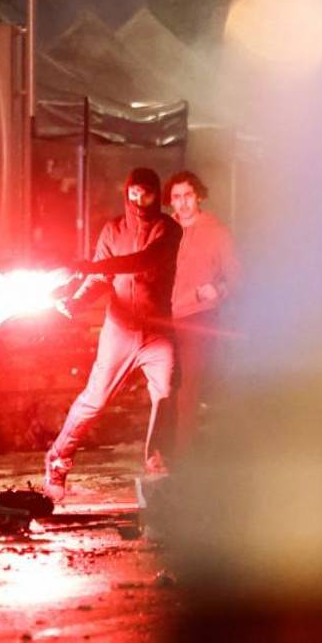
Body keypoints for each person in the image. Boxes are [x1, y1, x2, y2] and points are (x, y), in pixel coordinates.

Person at [45, 168, 183, 500]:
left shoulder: (169, 229)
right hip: (120, 331)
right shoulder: (113, 229)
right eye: (134, 192)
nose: (139, 199)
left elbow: (142, 261)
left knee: (166, 394)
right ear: (127, 192)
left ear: (157, 195)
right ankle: (57, 462)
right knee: (94, 400)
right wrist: (77, 302)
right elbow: (100, 279)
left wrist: (89, 266)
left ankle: (158, 469)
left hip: (158, 334)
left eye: (147, 193)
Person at [164, 171, 240, 450]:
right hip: (163, 317)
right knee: (163, 387)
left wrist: (218, 290)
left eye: (187, 195)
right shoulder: (163, 230)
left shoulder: (216, 231)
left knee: (188, 388)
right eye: (176, 197)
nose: (182, 202)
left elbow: (236, 277)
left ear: (198, 196)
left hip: (198, 317)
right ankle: (161, 450)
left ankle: (182, 454)